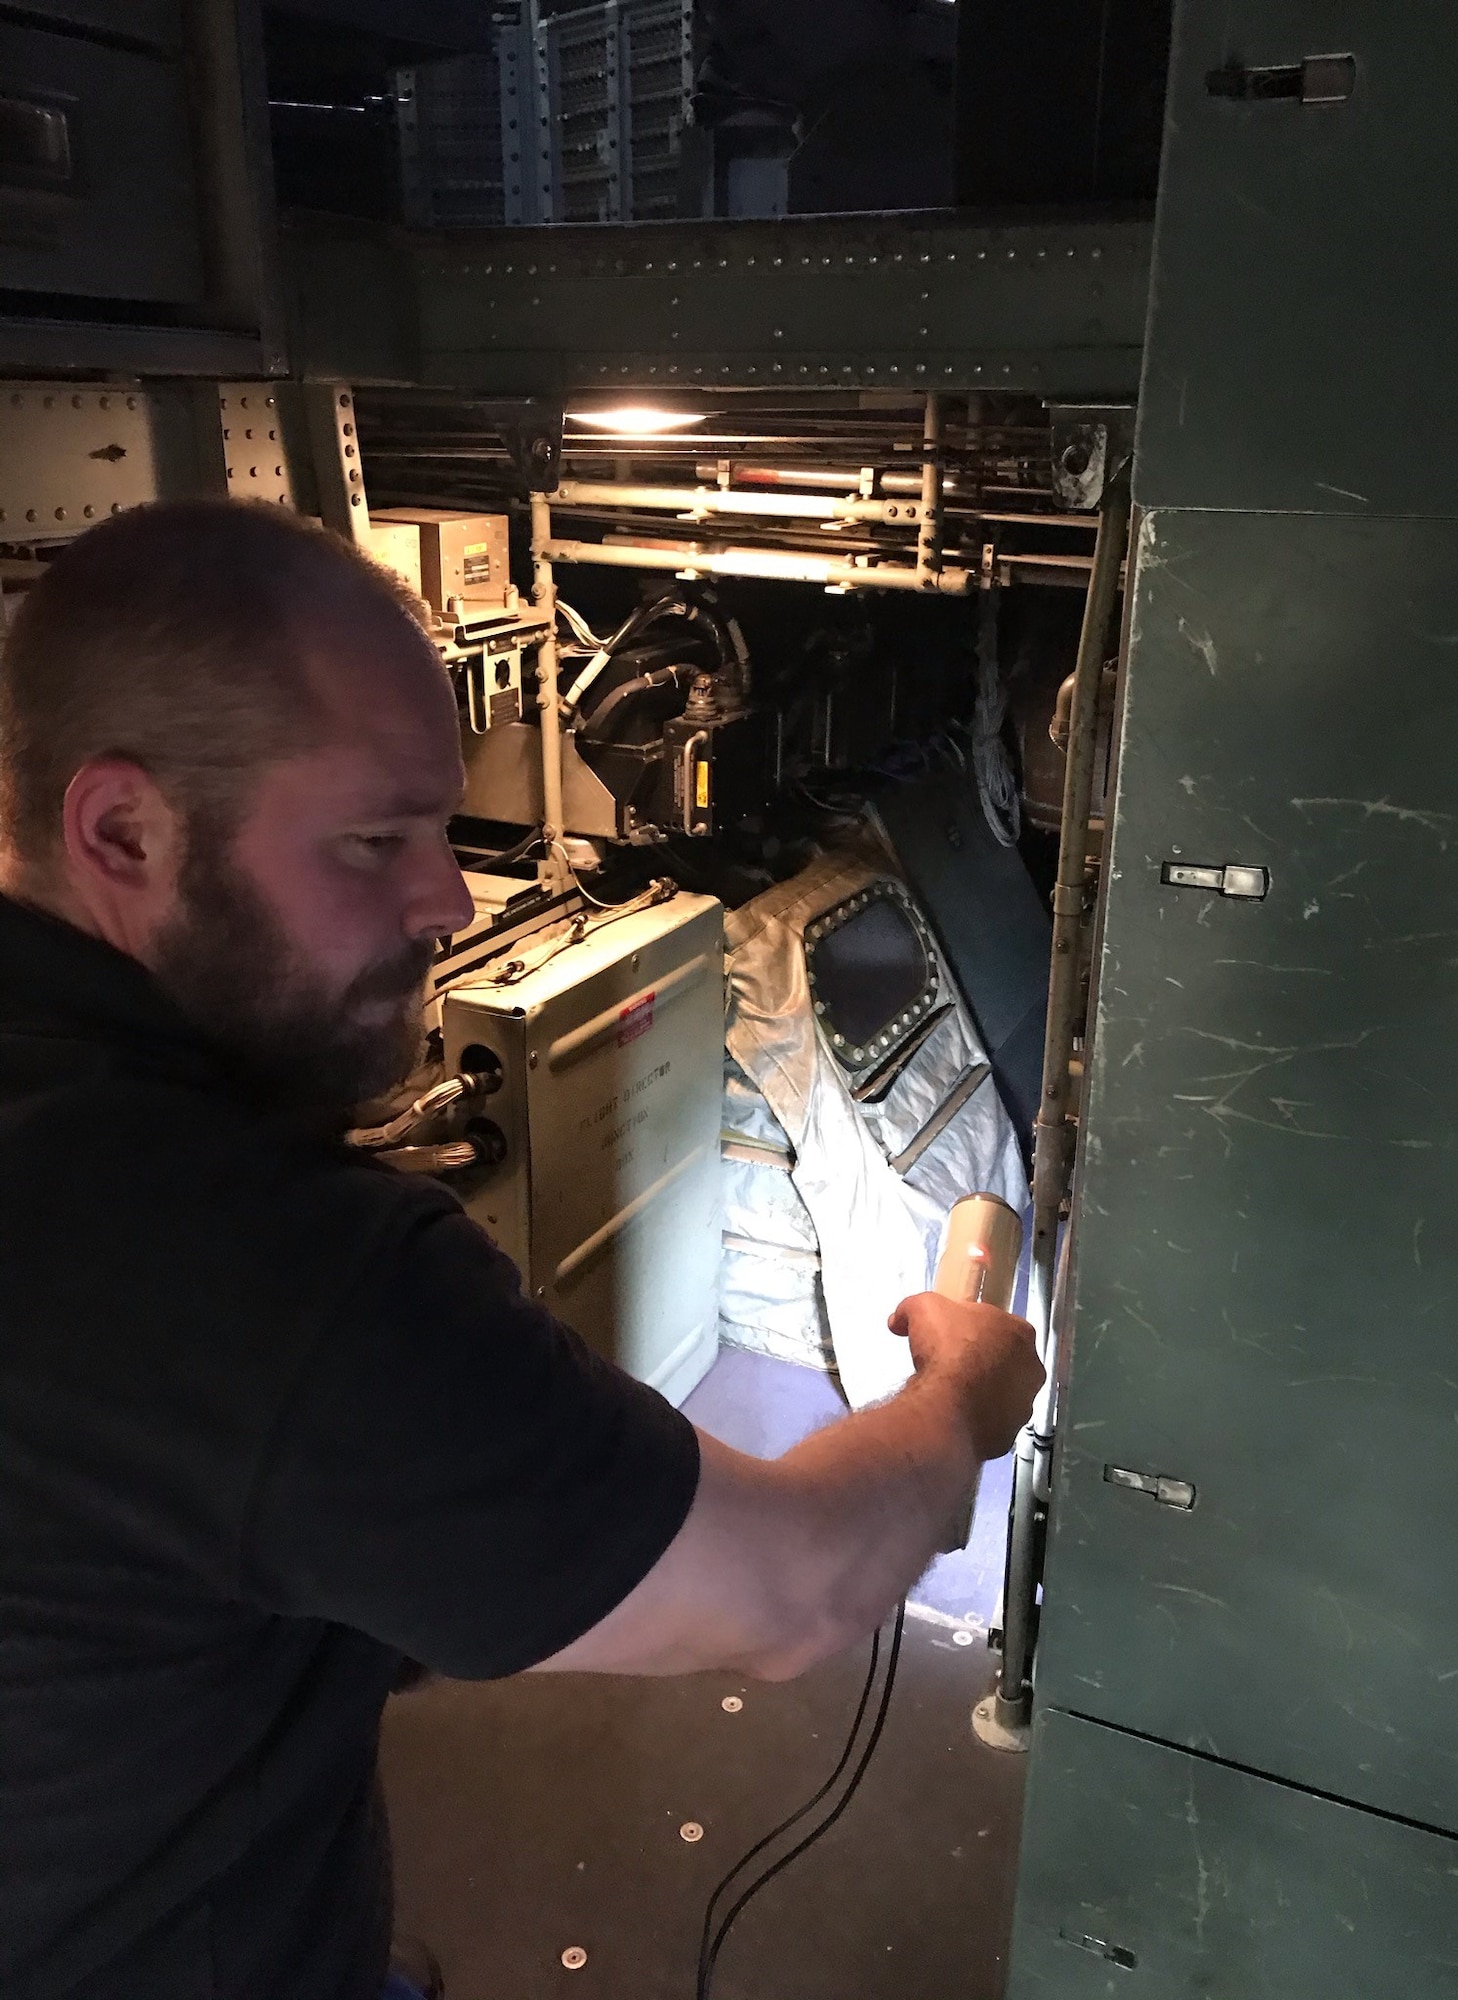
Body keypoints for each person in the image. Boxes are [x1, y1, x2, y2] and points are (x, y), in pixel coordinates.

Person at [0, 500, 1044, 2000]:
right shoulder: (248, 1267)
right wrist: (959, 1394)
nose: (443, 901)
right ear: (122, 831)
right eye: (374, 840)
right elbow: (794, 1590)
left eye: (439, 827)